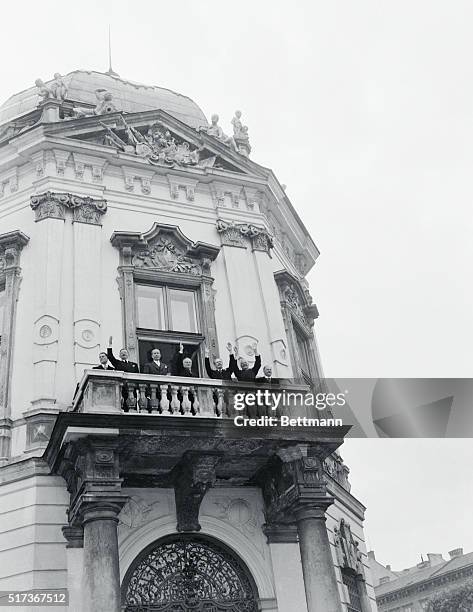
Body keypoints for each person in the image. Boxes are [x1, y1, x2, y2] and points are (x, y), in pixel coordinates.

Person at [107, 336, 139, 411]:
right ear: (119, 355)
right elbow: (110, 357)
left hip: (132, 388)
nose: (123, 354)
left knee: (132, 406)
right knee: (123, 406)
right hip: (122, 388)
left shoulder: (134, 365)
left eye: (125, 352)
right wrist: (110, 345)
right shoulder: (117, 363)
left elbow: (137, 377)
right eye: (121, 353)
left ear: (128, 354)